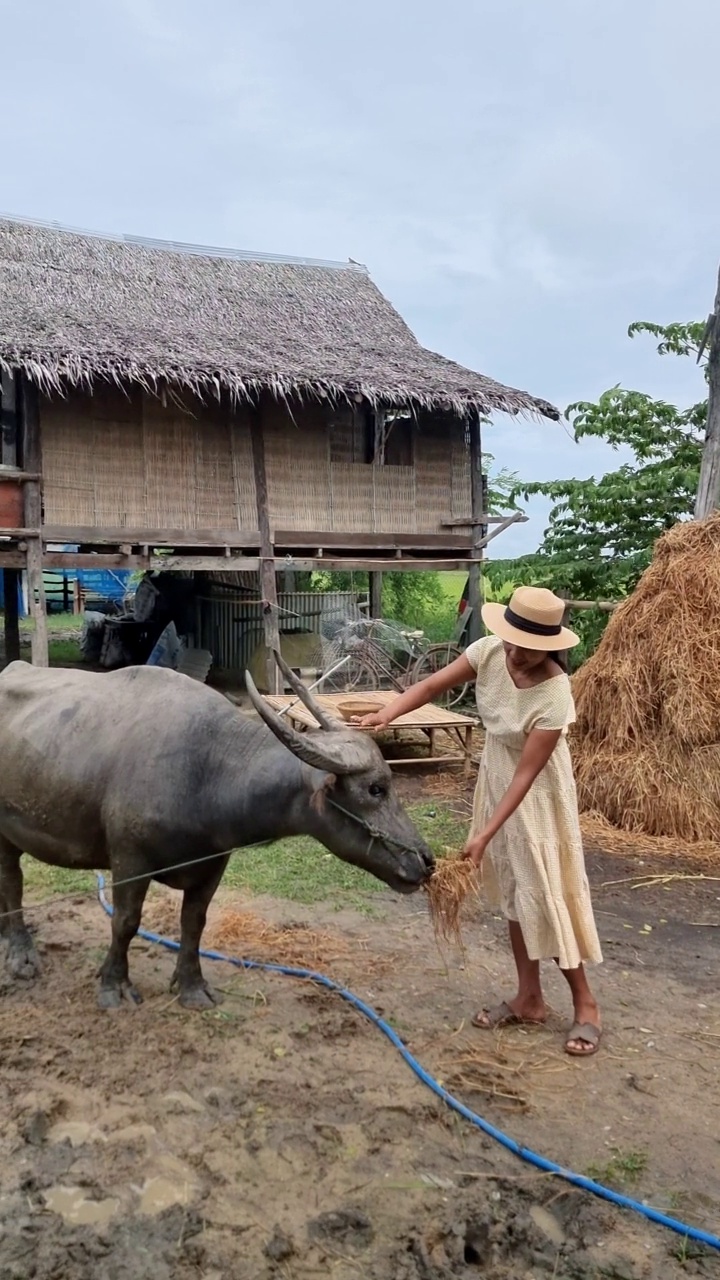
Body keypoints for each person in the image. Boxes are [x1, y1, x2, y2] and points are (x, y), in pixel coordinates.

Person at [354, 586, 603, 1058]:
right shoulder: (489, 652)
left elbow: (529, 774)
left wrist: (484, 834)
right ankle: (529, 998)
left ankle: (586, 1004)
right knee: (513, 891)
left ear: (550, 647)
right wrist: (386, 714)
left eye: (528, 649)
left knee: (545, 894)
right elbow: (430, 687)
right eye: (511, 642)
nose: (515, 655)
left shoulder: (554, 692)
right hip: (496, 778)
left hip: (537, 796)